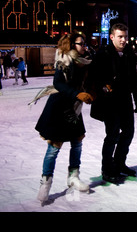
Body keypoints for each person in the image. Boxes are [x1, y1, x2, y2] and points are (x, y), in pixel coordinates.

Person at [35, 32, 94, 203]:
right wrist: (78, 94)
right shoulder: (64, 60)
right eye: (80, 43)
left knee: (77, 141)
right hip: (60, 107)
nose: (84, 46)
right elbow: (58, 83)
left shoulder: (85, 62)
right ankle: (45, 183)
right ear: (71, 45)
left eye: (84, 43)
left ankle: (73, 176)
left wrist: (91, 93)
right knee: (54, 147)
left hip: (73, 108)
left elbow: (88, 83)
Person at [90, 23, 137, 184]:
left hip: (125, 100)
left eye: (125, 36)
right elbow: (94, 77)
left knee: (128, 132)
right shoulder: (103, 53)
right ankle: (107, 168)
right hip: (109, 102)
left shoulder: (129, 53)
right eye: (120, 36)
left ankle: (119, 163)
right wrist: (104, 87)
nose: (123, 40)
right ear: (112, 37)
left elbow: (133, 78)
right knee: (112, 135)